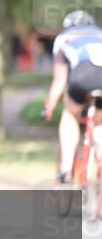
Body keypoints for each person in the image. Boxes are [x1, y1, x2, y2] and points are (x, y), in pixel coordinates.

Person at [44, 10, 102, 183]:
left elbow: (60, 81)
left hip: (84, 74)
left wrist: (49, 106)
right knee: (99, 123)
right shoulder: (99, 33)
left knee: (69, 114)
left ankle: (66, 169)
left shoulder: (63, 38)